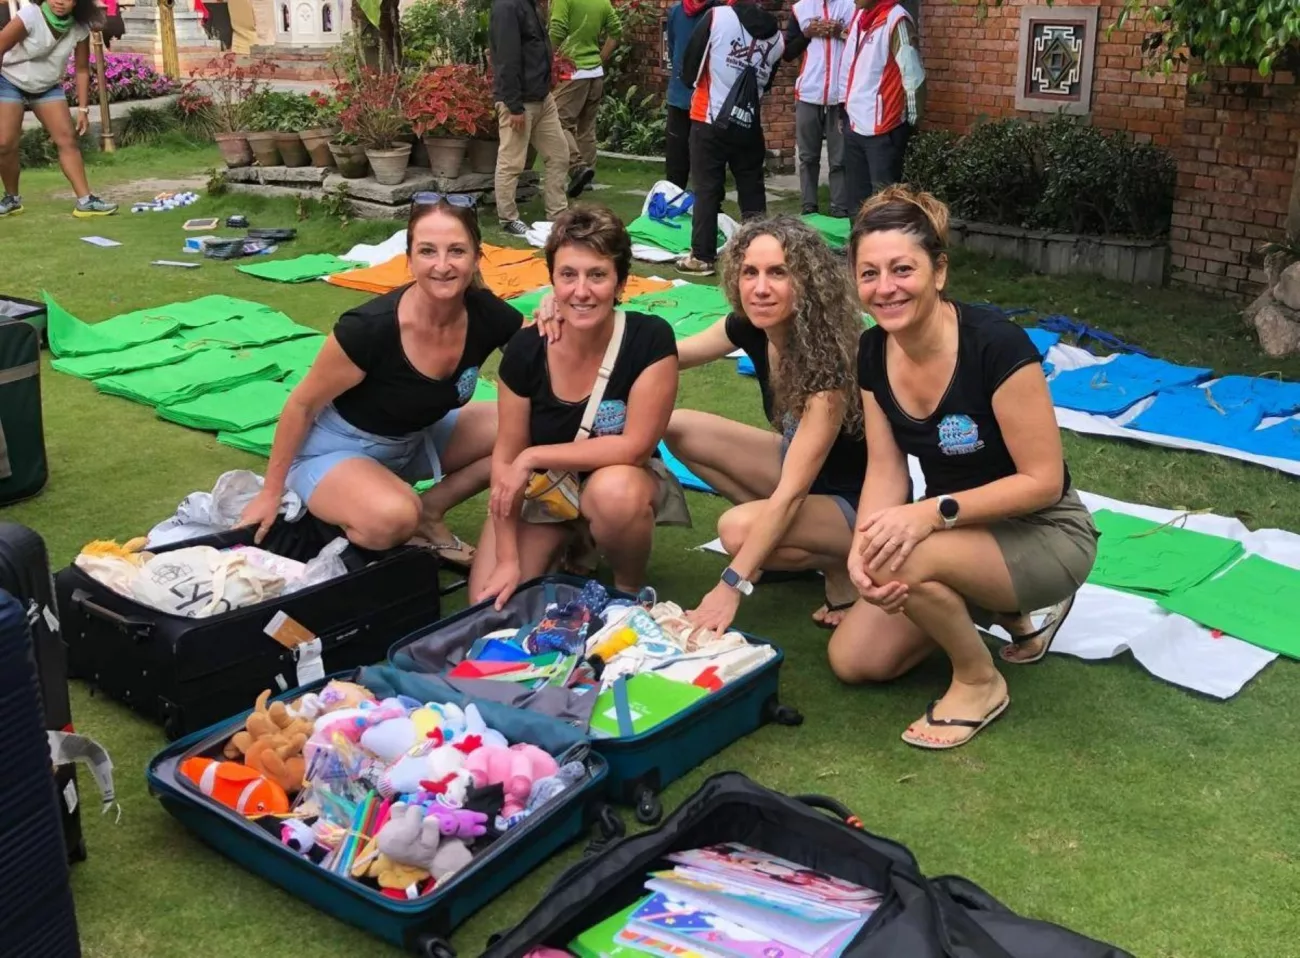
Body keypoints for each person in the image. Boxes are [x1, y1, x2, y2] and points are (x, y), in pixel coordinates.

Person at [834, 186, 1097, 750]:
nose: (885, 288)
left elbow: (1042, 480)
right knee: (854, 660)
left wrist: (931, 513)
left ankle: (979, 681)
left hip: (1046, 530)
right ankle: (1005, 610)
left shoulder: (996, 346)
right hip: (963, 533)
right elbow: (885, 469)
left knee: (904, 554)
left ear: (939, 271)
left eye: (903, 269)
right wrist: (862, 546)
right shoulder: (872, 351)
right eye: (869, 273)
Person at [237, 198, 521, 565]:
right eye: (427, 251)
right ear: (408, 260)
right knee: (393, 517)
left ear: (477, 257)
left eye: (456, 251)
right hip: (335, 452)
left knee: (524, 427)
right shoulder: (369, 329)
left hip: (415, 440)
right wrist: (271, 492)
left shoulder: (485, 312)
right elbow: (301, 405)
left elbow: (541, 353)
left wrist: (551, 311)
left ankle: (430, 511)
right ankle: (390, 513)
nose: (442, 265)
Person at [471, 204, 689, 609]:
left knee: (615, 494)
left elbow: (634, 448)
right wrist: (505, 557)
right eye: (568, 275)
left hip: (618, 481)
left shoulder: (649, 339)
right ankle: (573, 542)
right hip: (549, 491)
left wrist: (533, 455)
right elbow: (506, 456)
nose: (582, 291)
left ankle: (627, 590)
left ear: (621, 283)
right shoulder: (525, 349)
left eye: (598, 275)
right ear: (552, 280)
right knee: (490, 602)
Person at [662, 215, 867, 634]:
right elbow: (669, 354)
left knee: (735, 530)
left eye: (778, 273)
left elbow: (791, 494)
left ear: (807, 282)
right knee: (680, 427)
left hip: (856, 503)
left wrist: (730, 584)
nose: (759, 288)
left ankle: (837, 565)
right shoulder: (752, 326)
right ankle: (779, 548)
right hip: (801, 468)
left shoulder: (828, 365)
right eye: (749, 272)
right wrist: (587, 325)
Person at [675, 0, 784, 276]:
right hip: (748, 121)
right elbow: (767, 82)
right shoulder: (777, 38)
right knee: (751, 189)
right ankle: (760, 253)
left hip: (709, 117)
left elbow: (690, 71)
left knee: (707, 189)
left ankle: (702, 256)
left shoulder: (716, 17)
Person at [0, 0, 118, 218]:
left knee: (67, 139)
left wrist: (83, 109)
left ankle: (85, 201)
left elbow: (82, 69)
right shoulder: (30, 16)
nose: (60, 1)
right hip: (10, 80)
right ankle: (11, 199)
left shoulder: (80, 27)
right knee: (5, 143)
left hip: (46, 86)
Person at [836, 0, 924, 216]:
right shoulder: (860, 17)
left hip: (885, 127)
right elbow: (848, 65)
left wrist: (909, 124)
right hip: (855, 122)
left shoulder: (897, 19)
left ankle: (887, 248)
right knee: (856, 201)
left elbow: (913, 74)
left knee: (885, 203)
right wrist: (842, 109)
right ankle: (857, 247)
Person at [490, 0, 569, 237]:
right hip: (519, 101)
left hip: (543, 98)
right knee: (512, 161)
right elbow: (506, 58)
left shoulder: (529, 4)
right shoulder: (507, 7)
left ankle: (558, 215)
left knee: (559, 154)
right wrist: (514, 106)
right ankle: (508, 218)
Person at [782, 0, 855, 217]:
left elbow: (863, 43)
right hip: (808, 92)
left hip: (841, 94)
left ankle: (840, 209)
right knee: (807, 156)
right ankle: (809, 207)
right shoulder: (801, 8)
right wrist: (808, 33)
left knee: (840, 159)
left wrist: (840, 31)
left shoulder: (850, 7)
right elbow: (787, 53)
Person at [548, 0, 622, 197]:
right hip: (594, 74)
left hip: (572, 73)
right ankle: (587, 175)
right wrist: (600, 58)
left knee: (556, 121)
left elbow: (557, 29)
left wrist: (547, 58)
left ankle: (577, 168)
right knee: (586, 127)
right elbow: (616, 30)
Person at [662, 0, 713, 191]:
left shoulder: (717, 12)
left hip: (704, 97)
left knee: (705, 158)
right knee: (676, 157)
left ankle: (708, 205)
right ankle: (674, 199)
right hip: (680, 96)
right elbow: (673, 47)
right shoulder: (676, 11)